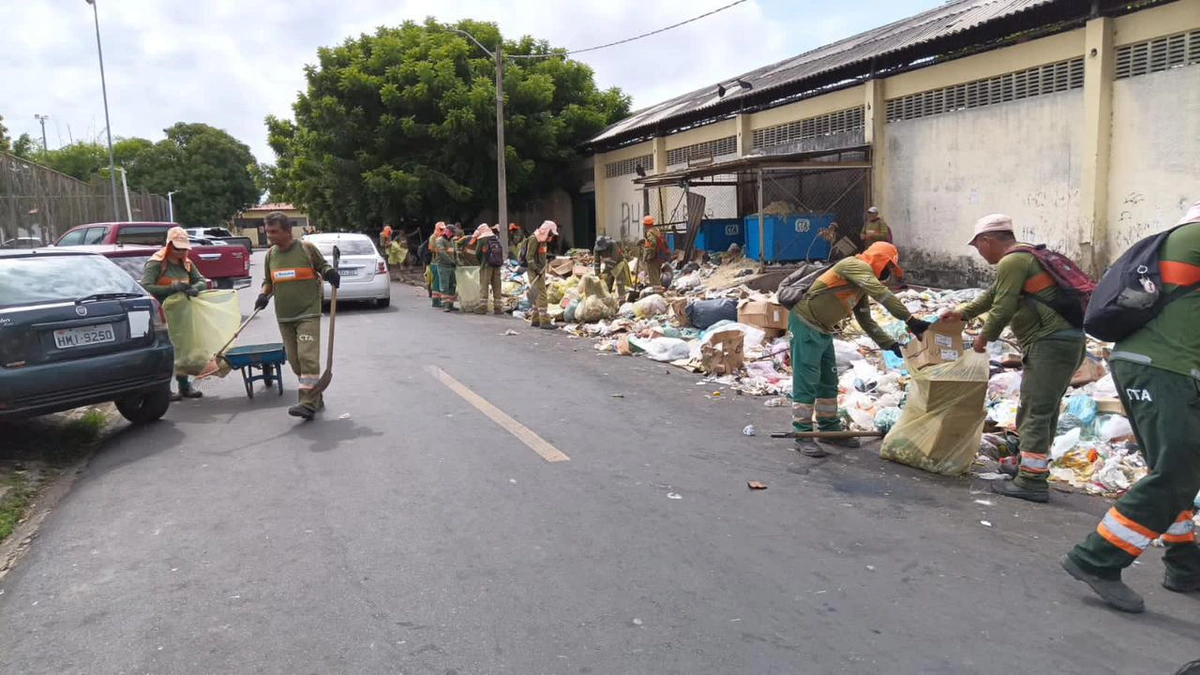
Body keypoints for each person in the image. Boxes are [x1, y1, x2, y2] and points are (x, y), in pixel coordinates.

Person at [1061, 202, 1200, 614]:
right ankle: (1096, 559)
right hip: (1160, 369)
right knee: (1176, 469)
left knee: (1181, 466)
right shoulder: (1191, 238)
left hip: (1171, 369)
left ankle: (1183, 564)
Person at [940, 214, 1086, 504]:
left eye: (978, 246)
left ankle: (1032, 481)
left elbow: (1003, 308)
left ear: (988, 240)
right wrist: (963, 313)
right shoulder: (1025, 256)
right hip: (1062, 343)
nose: (979, 253)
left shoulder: (1013, 261)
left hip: (1050, 343)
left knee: (1036, 411)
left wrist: (983, 339)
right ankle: (1026, 464)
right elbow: (994, 296)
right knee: (1042, 407)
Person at [789, 241, 929, 457]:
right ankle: (803, 434)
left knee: (828, 380)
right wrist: (910, 319)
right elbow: (882, 294)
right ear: (879, 259)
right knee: (806, 380)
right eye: (889, 267)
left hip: (824, 330)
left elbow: (867, 321)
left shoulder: (859, 287)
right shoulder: (854, 266)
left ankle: (829, 429)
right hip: (805, 324)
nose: (888, 273)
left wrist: (890, 345)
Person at [254, 211, 340, 420]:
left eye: (274, 231)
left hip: (308, 313)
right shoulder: (270, 255)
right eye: (268, 232)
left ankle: (307, 402)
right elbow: (269, 280)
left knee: (307, 357)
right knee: (295, 362)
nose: (270, 236)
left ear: (287, 231)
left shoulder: (306, 249)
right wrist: (263, 295)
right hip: (284, 316)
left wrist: (329, 273)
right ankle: (316, 397)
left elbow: (323, 266)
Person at [140, 226, 208, 401]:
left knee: (184, 349)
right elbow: (145, 286)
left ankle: (185, 386)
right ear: (169, 245)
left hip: (183, 314)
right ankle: (164, 389)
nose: (181, 251)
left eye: (184, 248)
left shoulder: (186, 263)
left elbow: (201, 280)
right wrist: (171, 288)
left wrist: (195, 288)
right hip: (162, 314)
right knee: (167, 352)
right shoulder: (156, 263)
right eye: (178, 248)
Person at [523, 220, 557, 329]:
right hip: (535, 271)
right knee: (541, 294)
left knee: (536, 294)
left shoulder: (543, 240)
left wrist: (548, 257)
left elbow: (541, 254)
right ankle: (544, 321)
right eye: (551, 233)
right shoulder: (534, 239)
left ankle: (536, 320)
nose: (551, 236)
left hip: (540, 270)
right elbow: (529, 257)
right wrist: (536, 269)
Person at [474, 223, 505, 315]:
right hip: (497, 265)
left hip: (486, 265)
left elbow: (477, 253)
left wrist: (481, 262)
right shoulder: (495, 238)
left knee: (484, 284)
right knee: (497, 285)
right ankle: (498, 307)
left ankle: (483, 306)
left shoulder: (482, 239)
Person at [594, 236, 632, 300]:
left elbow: (613, 260)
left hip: (618, 264)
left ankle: (621, 300)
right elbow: (597, 262)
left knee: (620, 283)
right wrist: (597, 274)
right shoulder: (596, 249)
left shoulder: (613, 244)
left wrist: (605, 272)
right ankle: (607, 299)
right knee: (607, 283)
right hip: (608, 265)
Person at [434, 221, 459, 312]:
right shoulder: (440, 240)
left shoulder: (452, 241)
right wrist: (451, 261)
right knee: (444, 286)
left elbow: (455, 253)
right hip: (443, 266)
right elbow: (442, 253)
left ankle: (451, 304)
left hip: (451, 267)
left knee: (453, 285)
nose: (453, 234)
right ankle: (446, 305)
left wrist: (457, 262)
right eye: (451, 232)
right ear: (447, 231)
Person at [641, 216, 667, 288]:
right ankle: (658, 291)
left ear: (646, 224)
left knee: (653, 276)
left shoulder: (649, 232)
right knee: (656, 274)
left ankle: (657, 293)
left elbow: (653, 242)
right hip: (658, 256)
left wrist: (649, 255)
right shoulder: (656, 230)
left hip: (652, 257)